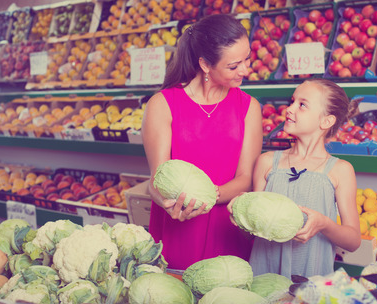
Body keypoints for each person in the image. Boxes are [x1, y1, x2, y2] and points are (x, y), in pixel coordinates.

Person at [141, 14, 263, 270]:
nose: (245, 70)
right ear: (206, 65)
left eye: (247, 59)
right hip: (178, 227)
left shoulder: (248, 107)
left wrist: (206, 197)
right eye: (234, 66)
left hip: (228, 229)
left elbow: (246, 178)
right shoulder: (162, 105)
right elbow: (156, 178)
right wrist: (166, 201)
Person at [228, 79, 361, 278]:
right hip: (264, 277)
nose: (289, 109)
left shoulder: (340, 170)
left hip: (310, 284)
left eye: (302, 105)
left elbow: (353, 241)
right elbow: (252, 233)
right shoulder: (267, 162)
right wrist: (240, 216)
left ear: (326, 121)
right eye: (292, 102)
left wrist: (324, 224)